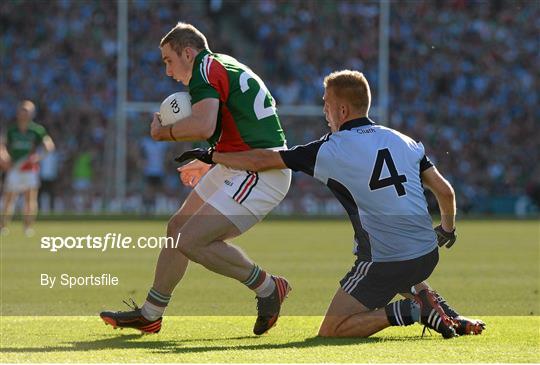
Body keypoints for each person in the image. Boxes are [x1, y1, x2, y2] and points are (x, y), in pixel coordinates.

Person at [176, 70, 485, 338]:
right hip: (426, 255)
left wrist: (212, 156)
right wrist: (447, 229)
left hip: (386, 260)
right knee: (402, 254)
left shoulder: (332, 148)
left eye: (325, 103)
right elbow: (445, 193)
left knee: (333, 329)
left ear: (341, 109)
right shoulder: (403, 140)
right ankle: (451, 317)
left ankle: (410, 311)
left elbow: (262, 160)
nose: (323, 111)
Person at [100, 22, 292, 335]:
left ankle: (269, 287)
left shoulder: (205, 68)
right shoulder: (220, 64)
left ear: (188, 53)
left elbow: (203, 125)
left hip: (260, 170)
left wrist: (164, 133)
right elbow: (236, 123)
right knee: (177, 228)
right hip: (239, 163)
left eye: (168, 61)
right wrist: (212, 159)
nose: (167, 71)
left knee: (191, 240)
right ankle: (150, 313)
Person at [0, 100, 55, 237]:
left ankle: (27, 227)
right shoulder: (12, 130)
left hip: (29, 169)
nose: (24, 114)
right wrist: (4, 157)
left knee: (30, 199)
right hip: (15, 168)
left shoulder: (37, 130)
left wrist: (38, 157)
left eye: (27, 111)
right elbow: (2, 146)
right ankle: (3, 226)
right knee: (8, 199)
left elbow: (49, 146)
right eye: (22, 110)